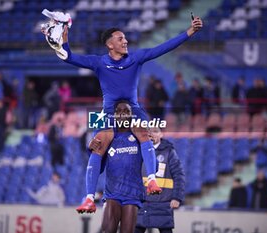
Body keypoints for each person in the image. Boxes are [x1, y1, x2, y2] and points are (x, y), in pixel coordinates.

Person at [52, 14, 203, 213]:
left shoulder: (135, 58)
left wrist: (189, 32)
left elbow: (163, 48)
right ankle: (89, 198)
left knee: (144, 134)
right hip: (108, 111)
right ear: (110, 45)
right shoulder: (98, 62)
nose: (126, 41)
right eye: (120, 38)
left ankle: (151, 180)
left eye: (125, 38)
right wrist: (64, 31)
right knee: (99, 144)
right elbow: (68, 56)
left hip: (133, 108)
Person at [85, 100, 145, 232]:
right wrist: (91, 150)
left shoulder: (139, 137)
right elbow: (99, 169)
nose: (122, 114)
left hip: (132, 195)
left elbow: (154, 166)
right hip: (113, 194)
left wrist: (151, 145)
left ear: (132, 114)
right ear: (114, 115)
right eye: (119, 111)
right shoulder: (108, 137)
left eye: (126, 111)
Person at [135, 127, 185, 233]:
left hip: (163, 203)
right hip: (141, 202)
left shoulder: (169, 152)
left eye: (155, 131)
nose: (151, 134)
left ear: (161, 134)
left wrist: (177, 197)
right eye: (149, 131)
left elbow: (179, 176)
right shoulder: (138, 151)